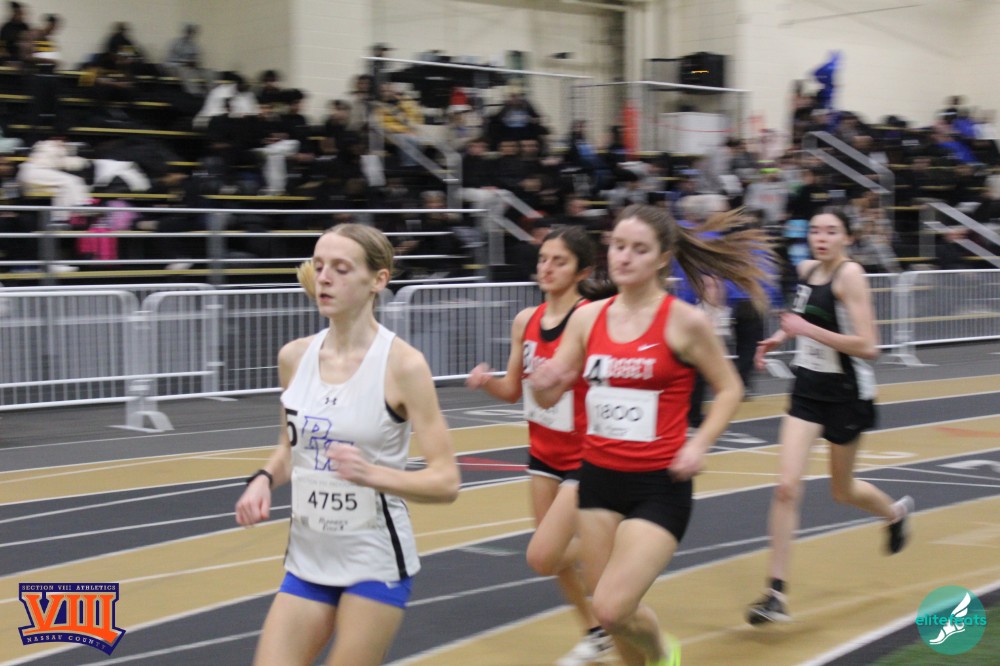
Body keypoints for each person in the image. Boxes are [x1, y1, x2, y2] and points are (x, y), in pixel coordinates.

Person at [529, 204, 774, 666]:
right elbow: (551, 393)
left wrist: (698, 444)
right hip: (597, 480)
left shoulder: (683, 321)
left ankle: (664, 652)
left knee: (610, 607)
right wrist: (544, 383)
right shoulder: (588, 318)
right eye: (619, 246)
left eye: (638, 249)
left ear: (662, 258)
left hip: (658, 486)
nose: (624, 257)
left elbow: (729, 388)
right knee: (615, 623)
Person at [234, 223, 461, 666]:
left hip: (373, 561)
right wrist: (262, 479)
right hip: (309, 557)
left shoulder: (403, 366)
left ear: (378, 279)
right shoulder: (294, 357)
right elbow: (289, 448)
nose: (324, 278)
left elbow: (447, 481)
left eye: (341, 268)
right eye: (319, 266)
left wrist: (371, 474)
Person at [746, 210, 914, 626]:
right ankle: (775, 593)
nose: (821, 237)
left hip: (845, 395)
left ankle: (894, 514)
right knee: (786, 487)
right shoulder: (807, 270)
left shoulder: (850, 275)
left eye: (831, 231)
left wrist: (806, 331)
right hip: (807, 390)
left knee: (842, 490)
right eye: (815, 230)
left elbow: (869, 346)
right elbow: (802, 319)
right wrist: (779, 337)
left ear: (847, 238)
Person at [466, 226, 613, 666]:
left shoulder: (591, 318)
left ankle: (615, 542)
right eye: (543, 258)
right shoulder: (526, 320)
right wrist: (486, 381)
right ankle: (595, 632)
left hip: (586, 453)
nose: (546, 268)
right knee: (553, 560)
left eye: (559, 261)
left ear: (582, 271)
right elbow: (514, 390)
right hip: (543, 452)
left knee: (545, 556)